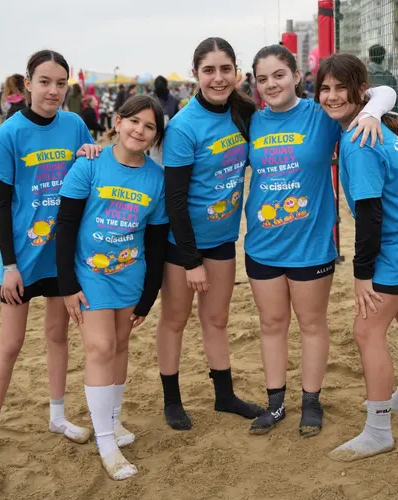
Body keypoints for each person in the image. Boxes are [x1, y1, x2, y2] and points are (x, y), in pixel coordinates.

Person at [245, 44, 396, 436]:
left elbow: (381, 93)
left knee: (312, 324)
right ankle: (276, 404)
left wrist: (375, 111)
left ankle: (311, 402)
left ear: (297, 77)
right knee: (271, 323)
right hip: (262, 243)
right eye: (263, 78)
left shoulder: (323, 116)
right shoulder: (252, 121)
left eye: (279, 75)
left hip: (310, 243)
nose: (271, 84)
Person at [0, 49, 100, 472]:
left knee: (57, 336)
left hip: (62, 256)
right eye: (44, 81)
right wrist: (9, 264)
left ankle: (58, 416)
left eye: (61, 83)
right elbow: (2, 205)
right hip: (23, 259)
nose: (53, 91)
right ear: (27, 83)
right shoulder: (9, 133)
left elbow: (88, 178)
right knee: (10, 344)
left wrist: (94, 154)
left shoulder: (75, 124)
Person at [317, 53, 398, 462]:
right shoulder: (373, 120)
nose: (332, 96)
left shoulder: (359, 142)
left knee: (367, 330)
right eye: (325, 88)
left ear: (359, 91)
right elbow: (386, 92)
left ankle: (378, 430)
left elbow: (369, 218)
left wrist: (361, 275)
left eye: (340, 88)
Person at [56, 95, 168, 480]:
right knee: (100, 347)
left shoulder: (157, 178)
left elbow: (155, 241)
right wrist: (67, 285)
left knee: (120, 347)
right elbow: (65, 227)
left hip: (130, 276)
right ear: (117, 122)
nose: (139, 130)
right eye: (134, 121)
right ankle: (105, 441)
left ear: (156, 136)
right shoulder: (89, 164)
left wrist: (149, 293)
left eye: (149, 126)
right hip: (90, 275)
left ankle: (115, 421)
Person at [158, 37, 264, 431]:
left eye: (225, 69)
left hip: (223, 239)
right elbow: (176, 200)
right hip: (182, 244)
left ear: (236, 72)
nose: (218, 78)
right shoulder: (183, 127)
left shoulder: (245, 112)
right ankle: (172, 400)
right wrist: (190, 261)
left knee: (216, 319)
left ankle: (224, 396)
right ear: (196, 74)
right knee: (174, 320)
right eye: (209, 70)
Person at [367, 44, 398, 113]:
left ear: (370, 57)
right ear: (383, 58)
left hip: (367, 117)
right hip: (389, 118)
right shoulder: (391, 77)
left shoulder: (362, 75)